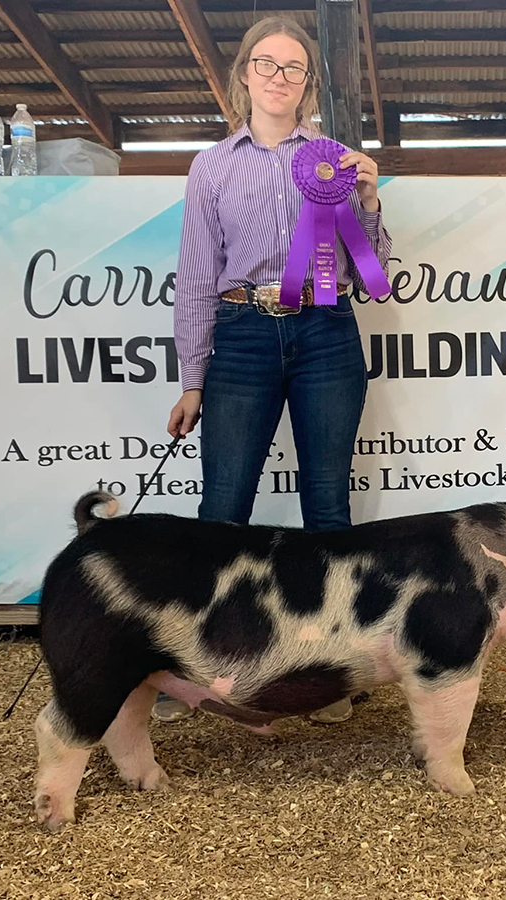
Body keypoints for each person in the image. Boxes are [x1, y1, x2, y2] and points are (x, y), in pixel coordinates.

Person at [156, 16, 392, 724]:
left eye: (294, 68)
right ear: (245, 75)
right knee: (222, 508)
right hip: (241, 334)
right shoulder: (212, 166)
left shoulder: (334, 161)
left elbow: (368, 266)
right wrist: (192, 376)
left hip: (326, 332)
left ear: (307, 83)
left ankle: (324, 673)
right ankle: (195, 667)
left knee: (327, 508)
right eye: (268, 64)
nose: (280, 77)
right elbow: (196, 276)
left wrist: (371, 199)